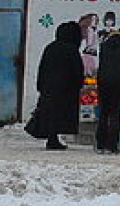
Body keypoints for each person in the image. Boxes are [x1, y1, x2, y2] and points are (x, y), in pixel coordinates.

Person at [33, 20, 85, 150]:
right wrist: (79, 84)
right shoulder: (72, 50)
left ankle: (52, 138)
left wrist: (40, 85)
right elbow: (77, 70)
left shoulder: (51, 47)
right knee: (61, 114)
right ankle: (53, 139)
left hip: (49, 87)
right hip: (66, 89)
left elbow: (42, 67)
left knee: (51, 113)